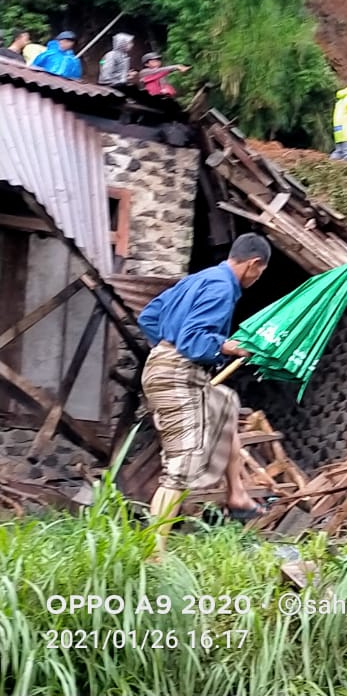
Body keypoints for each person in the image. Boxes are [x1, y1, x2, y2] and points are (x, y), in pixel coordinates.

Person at [136, 234, 271, 558]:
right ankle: (151, 554)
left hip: (165, 366)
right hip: (178, 374)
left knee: (225, 403)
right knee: (181, 468)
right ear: (253, 264)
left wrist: (164, 348)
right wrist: (229, 347)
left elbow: (149, 317)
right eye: (260, 272)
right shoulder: (223, 288)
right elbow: (194, 340)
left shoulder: (199, 279)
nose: (257, 279)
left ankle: (237, 493)